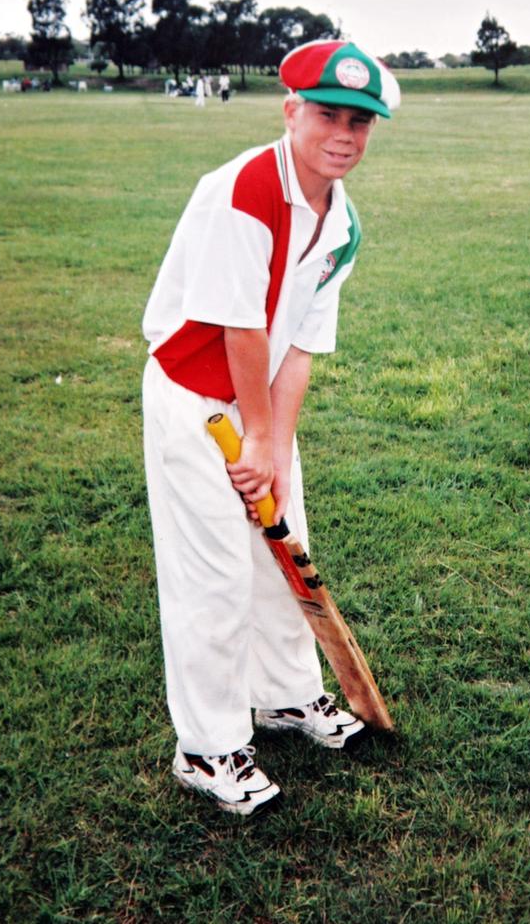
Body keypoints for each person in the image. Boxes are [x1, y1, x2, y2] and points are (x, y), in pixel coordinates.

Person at [142, 40, 400, 816]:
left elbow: (297, 348)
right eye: (328, 114)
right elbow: (238, 329)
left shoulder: (342, 222)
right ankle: (209, 746)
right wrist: (252, 438)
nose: (345, 134)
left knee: (285, 550)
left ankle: (288, 697)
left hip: (256, 401)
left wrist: (276, 449)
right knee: (213, 574)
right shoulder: (244, 190)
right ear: (291, 111)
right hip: (195, 397)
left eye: (361, 121)